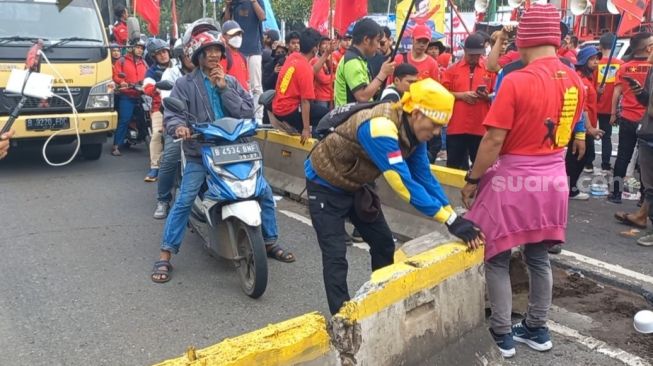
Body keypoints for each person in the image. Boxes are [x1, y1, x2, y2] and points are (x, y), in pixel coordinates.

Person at [461, 4, 586, 358]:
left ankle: (502, 334)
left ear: (526, 38)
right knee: (538, 257)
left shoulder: (517, 79)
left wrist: (473, 179)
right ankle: (537, 327)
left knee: (496, 256)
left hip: (514, 180)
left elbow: (493, 141)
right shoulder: (575, 80)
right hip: (554, 179)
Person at [305, 78, 484, 314]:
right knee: (336, 255)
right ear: (417, 113)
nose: (437, 132)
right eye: (435, 124)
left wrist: (453, 215)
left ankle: (381, 303)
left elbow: (424, 177)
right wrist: (449, 221)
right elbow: (403, 184)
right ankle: (343, 318)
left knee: (383, 244)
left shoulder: (413, 132)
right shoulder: (380, 128)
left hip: (357, 185)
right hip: (325, 186)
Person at [151, 30, 294, 283]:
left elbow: (247, 111)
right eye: (209, 51)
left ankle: (269, 242)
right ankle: (165, 254)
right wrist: (179, 127)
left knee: (264, 193)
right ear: (199, 55)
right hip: (201, 151)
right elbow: (173, 115)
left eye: (218, 50)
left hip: (235, 149)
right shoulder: (185, 85)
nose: (215, 55)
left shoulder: (231, 81)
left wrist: (224, 88)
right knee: (184, 200)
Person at [153, 38, 196, 220]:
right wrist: (180, 125)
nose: (193, 57)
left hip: (202, 125)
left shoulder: (206, 73)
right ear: (181, 55)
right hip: (178, 123)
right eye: (189, 54)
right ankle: (163, 199)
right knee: (171, 156)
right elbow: (168, 101)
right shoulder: (171, 74)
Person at [608, 32, 653, 204]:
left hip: (627, 117)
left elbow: (616, 92)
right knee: (645, 161)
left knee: (623, 156)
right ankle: (644, 199)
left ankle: (616, 194)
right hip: (647, 121)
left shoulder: (624, 67)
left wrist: (613, 113)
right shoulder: (651, 67)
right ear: (647, 47)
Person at [441, 33, 495, 170]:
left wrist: (486, 96)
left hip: (480, 126)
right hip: (456, 126)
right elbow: (442, 93)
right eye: (471, 55)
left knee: (481, 168)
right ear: (464, 51)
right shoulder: (452, 70)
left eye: (478, 55)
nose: (475, 58)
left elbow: (497, 93)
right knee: (454, 167)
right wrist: (461, 96)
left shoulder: (489, 69)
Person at [272, 28, 328, 143]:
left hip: (278, 107)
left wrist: (326, 54)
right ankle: (317, 141)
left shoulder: (293, 57)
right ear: (315, 48)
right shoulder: (304, 68)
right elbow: (305, 102)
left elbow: (312, 70)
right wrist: (306, 129)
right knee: (327, 115)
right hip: (288, 112)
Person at [566, 46, 605, 200]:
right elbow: (582, 108)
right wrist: (589, 128)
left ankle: (570, 187)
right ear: (583, 61)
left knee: (578, 157)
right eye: (592, 59)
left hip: (585, 127)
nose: (596, 62)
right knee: (578, 157)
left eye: (597, 59)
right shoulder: (580, 80)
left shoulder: (587, 79)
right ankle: (571, 189)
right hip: (580, 128)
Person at [333, 18, 395, 107]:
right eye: (377, 41)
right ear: (366, 40)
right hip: (348, 118)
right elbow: (362, 96)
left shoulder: (358, 59)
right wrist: (383, 74)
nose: (378, 46)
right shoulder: (352, 61)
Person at [222, 0, 266, 118]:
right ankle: (243, 113)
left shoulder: (258, 1)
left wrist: (254, 2)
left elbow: (262, 17)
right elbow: (226, 24)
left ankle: (258, 118)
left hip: (254, 49)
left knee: (256, 86)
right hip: (237, 50)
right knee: (240, 85)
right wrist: (227, 5)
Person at [143, 39, 173, 182]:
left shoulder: (177, 66)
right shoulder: (152, 71)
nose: (163, 55)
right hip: (159, 108)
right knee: (157, 134)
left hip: (181, 106)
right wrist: (156, 87)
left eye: (164, 51)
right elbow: (147, 87)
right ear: (154, 57)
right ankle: (154, 166)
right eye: (159, 53)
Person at [112, 37, 148, 156]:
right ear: (131, 48)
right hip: (127, 95)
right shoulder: (122, 61)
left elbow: (149, 76)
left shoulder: (144, 63)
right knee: (125, 119)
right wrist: (121, 81)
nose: (139, 50)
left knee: (147, 119)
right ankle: (116, 146)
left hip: (141, 95)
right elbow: (116, 75)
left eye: (141, 48)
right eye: (137, 47)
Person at [595, 32, 624, 173]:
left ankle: (588, 163)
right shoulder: (621, 65)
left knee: (589, 134)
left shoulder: (594, 62)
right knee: (607, 136)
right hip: (609, 107)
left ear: (600, 46)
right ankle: (605, 164)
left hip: (593, 104)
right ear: (614, 45)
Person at [220, 21, 251, 92]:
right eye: (233, 35)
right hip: (232, 98)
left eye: (239, 34)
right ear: (223, 36)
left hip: (244, 98)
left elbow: (246, 81)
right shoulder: (223, 56)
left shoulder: (242, 57)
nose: (237, 37)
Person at [310, 36, 335, 109]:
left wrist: (328, 61)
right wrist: (335, 76)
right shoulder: (315, 60)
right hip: (321, 97)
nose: (327, 46)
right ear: (319, 46)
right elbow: (323, 79)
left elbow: (335, 69)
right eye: (324, 43)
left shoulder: (330, 58)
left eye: (328, 43)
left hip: (331, 95)